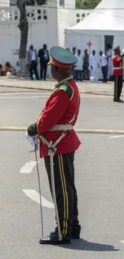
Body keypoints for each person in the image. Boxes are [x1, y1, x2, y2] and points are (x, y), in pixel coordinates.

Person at [26, 46, 81, 244]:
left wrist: (32, 128)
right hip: (63, 143)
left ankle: (63, 231)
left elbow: (45, 122)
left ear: (56, 69)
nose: (51, 71)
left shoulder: (63, 91)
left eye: (52, 67)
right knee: (68, 188)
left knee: (62, 189)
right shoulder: (68, 87)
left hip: (57, 145)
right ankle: (72, 226)